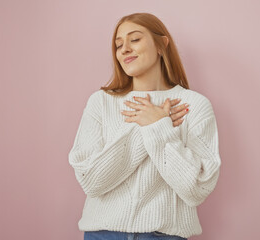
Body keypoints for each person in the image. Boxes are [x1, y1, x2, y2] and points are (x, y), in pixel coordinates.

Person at [68, 12, 222, 240]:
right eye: (118, 45)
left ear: (162, 45)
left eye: (135, 39)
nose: (124, 49)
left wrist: (157, 126)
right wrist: (152, 123)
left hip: (163, 236)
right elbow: (91, 181)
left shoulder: (194, 105)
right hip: (103, 235)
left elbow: (197, 189)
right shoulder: (100, 102)